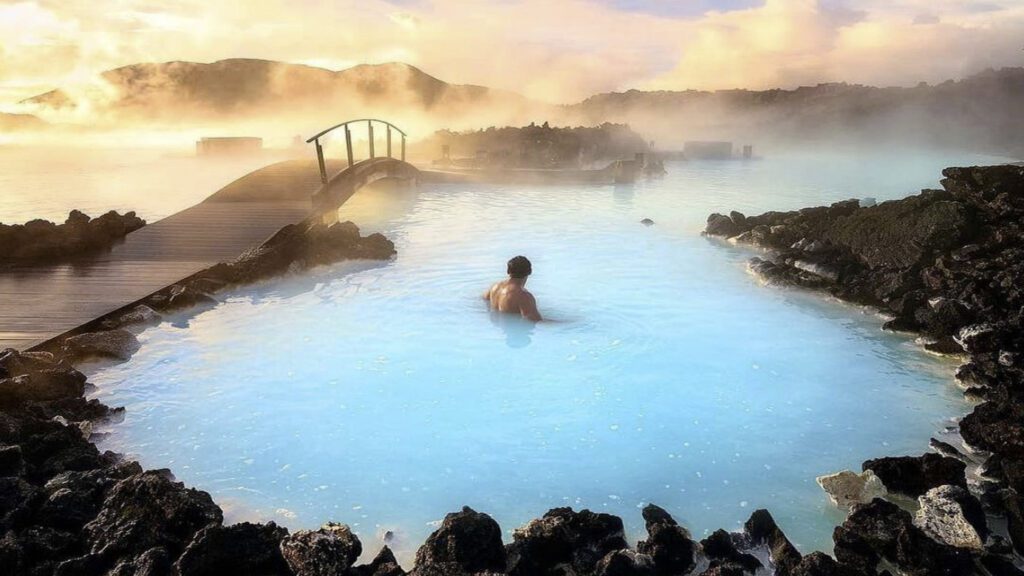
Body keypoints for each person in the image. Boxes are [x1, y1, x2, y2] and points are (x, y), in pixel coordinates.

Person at [484, 255, 542, 322]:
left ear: (508, 271)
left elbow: (484, 300)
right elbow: (535, 321)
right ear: (529, 272)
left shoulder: (494, 287)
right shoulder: (524, 296)